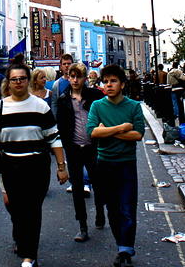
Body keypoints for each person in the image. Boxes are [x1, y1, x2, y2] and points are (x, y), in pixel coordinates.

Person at [0, 64, 67, 267]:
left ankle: (30, 255)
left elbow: (54, 137)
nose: (18, 83)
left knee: (33, 209)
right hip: (11, 166)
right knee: (17, 209)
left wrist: (62, 167)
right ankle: (21, 239)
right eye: (14, 79)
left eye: (22, 79)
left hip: (37, 165)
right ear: (8, 83)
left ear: (28, 81)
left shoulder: (40, 106)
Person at [87, 65, 145, 267]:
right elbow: (92, 132)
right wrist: (121, 128)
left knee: (127, 207)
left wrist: (107, 130)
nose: (108, 85)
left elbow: (137, 134)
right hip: (105, 163)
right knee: (112, 208)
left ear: (122, 84)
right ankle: (121, 245)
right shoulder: (97, 106)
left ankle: (125, 248)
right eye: (106, 81)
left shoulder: (133, 106)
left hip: (126, 163)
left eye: (113, 81)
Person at [55, 61, 105, 242]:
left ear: (85, 78)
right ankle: (82, 226)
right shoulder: (63, 99)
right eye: (72, 76)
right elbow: (60, 125)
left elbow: (104, 116)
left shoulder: (95, 96)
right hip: (74, 147)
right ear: (68, 77)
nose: (75, 80)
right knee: (77, 186)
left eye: (78, 76)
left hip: (93, 146)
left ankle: (100, 212)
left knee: (98, 183)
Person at [50, 54, 74, 119]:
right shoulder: (57, 84)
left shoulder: (80, 81)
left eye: (69, 63)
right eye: (64, 64)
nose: (66, 66)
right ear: (61, 66)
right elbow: (54, 103)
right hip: (63, 119)